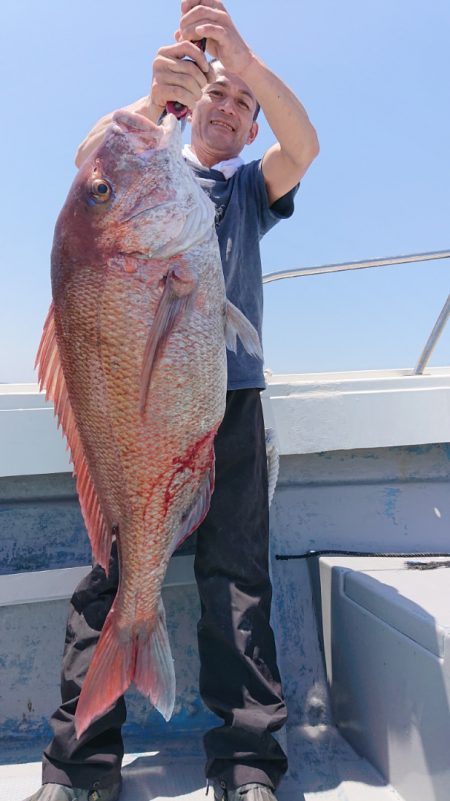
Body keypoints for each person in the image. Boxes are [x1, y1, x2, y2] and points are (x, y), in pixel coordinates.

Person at [24, 3, 319, 801]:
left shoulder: (250, 189)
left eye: (242, 105)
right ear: (191, 106)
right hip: (139, 427)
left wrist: (248, 64)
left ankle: (248, 764)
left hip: (233, 409)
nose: (228, 108)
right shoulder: (144, 167)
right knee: (110, 578)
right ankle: (80, 766)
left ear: (252, 129)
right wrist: (155, 100)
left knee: (238, 581)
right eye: (217, 94)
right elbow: (95, 162)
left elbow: (308, 146)